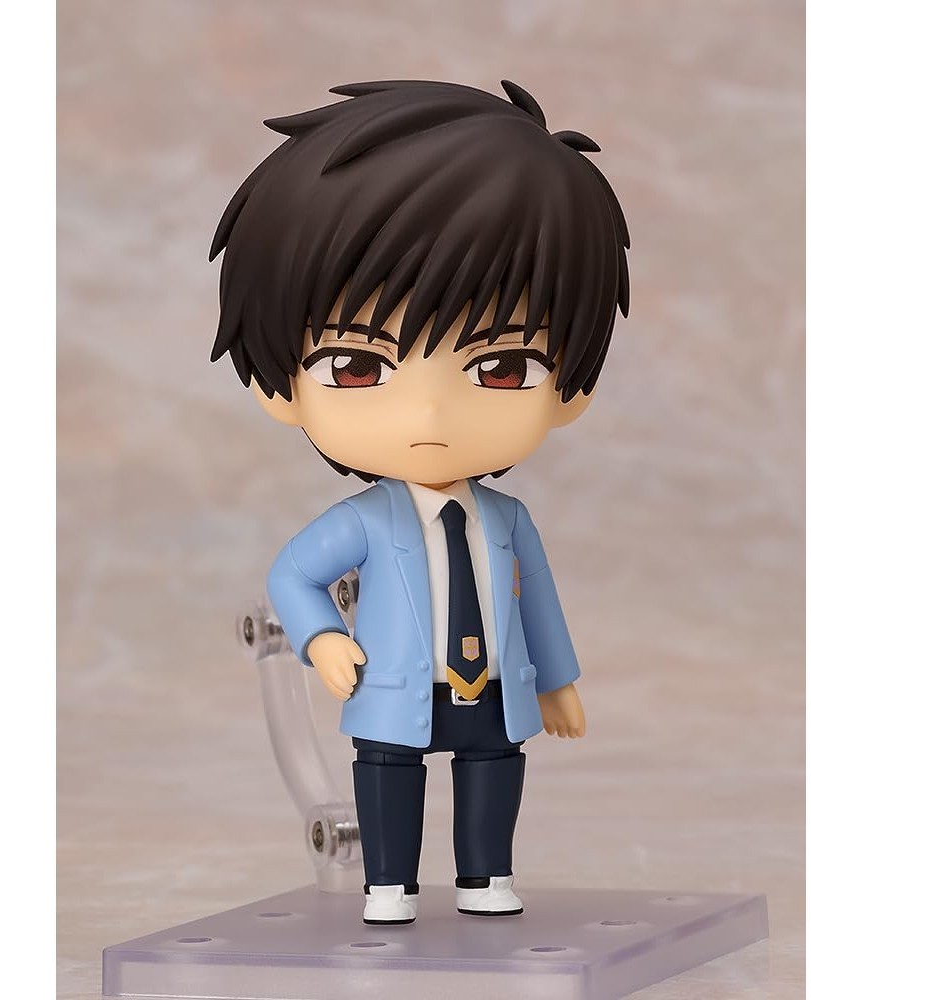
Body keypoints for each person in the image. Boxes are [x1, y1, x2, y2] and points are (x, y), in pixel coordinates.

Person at [209, 79, 630, 925]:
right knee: (389, 777)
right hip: (394, 685)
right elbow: (293, 576)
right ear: (281, 386)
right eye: (359, 367)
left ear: (571, 389)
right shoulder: (362, 523)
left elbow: (539, 603)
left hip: (492, 690)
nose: (430, 416)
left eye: (501, 368)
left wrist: (557, 680)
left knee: (493, 772)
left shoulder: (508, 522)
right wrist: (323, 639)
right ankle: (389, 884)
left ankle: (485, 877)